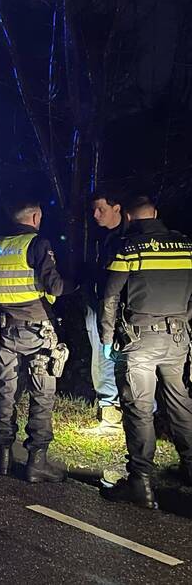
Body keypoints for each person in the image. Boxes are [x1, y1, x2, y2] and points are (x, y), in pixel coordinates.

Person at [100, 195, 192, 509]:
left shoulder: (129, 248)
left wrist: (106, 336)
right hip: (178, 338)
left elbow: (110, 296)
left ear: (128, 216)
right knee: (180, 405)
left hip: (139, 341)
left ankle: (141, 483)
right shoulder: (186, 246)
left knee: (139, 411)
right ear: (156, 213)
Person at [0, 199, 77, 482]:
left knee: (6, 391)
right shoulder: (37, 244)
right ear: (36, 216)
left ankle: (3, 456)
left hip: (5, 330)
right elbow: (55, 286)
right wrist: (81, 280)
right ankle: (36, 462)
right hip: (38, 332)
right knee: (42, 394)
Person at [83, 191, 125, 431]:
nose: (95, 215)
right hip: (98, 303)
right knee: (101, 355)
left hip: (123, 306)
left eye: (101, 209)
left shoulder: (130, 237)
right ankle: (109, 408)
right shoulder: (99, 236)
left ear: (116, 208)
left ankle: (140, 411)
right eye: (94, 210)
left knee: (132, 359)